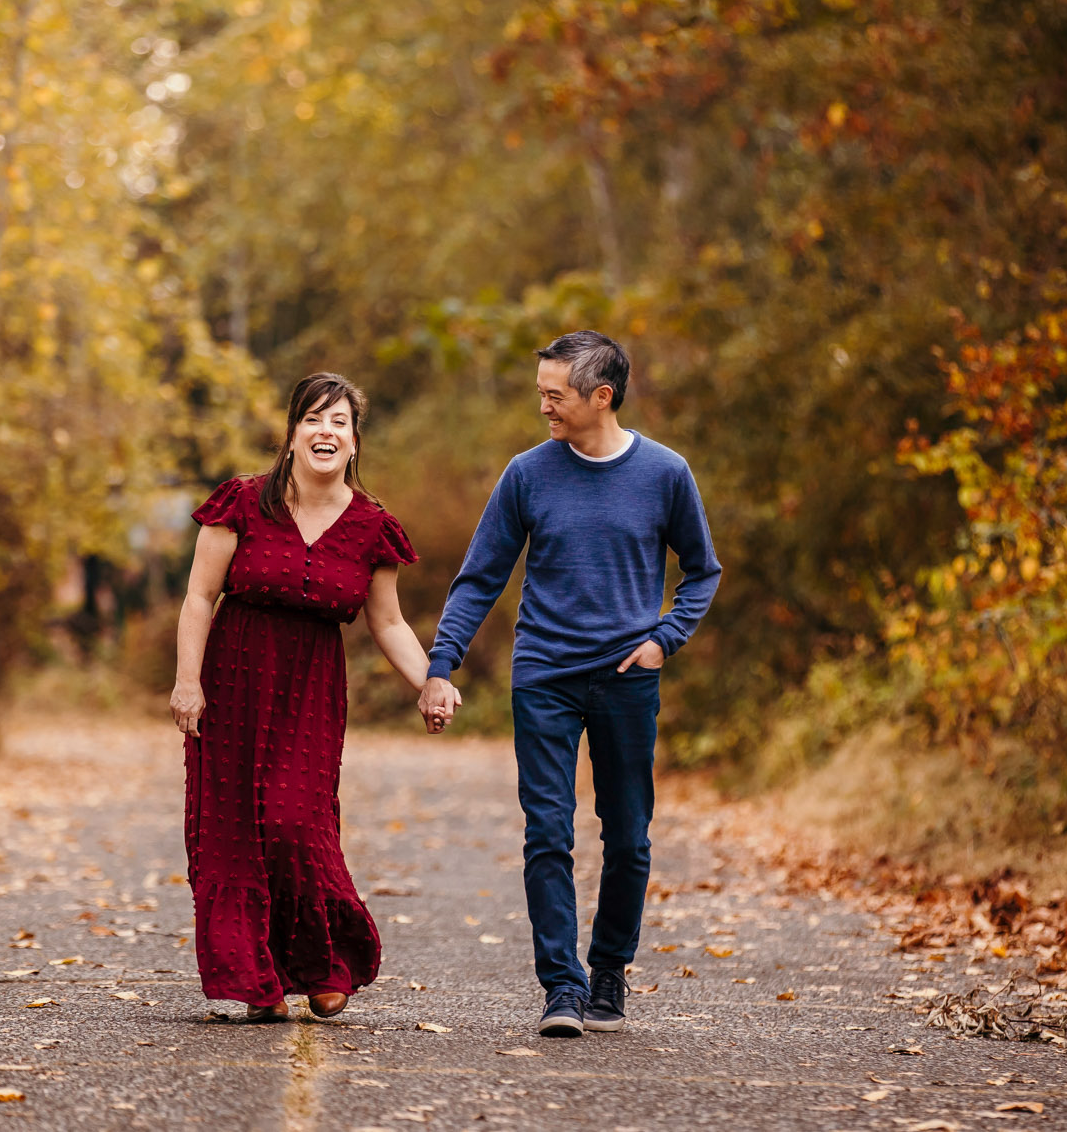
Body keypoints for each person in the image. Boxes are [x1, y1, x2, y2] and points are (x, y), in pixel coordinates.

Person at [419, 330, 720, 1038]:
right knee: (547, 832)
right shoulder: (527, 474)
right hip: (545, 677)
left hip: (625, 678)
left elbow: (702, 569)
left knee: (629, 837)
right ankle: (562, 985)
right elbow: (480, 577)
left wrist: (663, 641)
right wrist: (441, 663)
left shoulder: (665, 473)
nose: (545, 408)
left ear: (601, 396)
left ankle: (608, 968)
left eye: (556, 395)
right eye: (541, 393)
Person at [170, 372, 450, 1022]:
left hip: (310, 693)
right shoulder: (241, 502)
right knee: (234, 833)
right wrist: (188, 680)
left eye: (340, 422)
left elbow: (387, 621)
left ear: (354, 441)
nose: (326, 431)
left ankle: (323, 962)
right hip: (234, 683)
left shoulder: (372, 526)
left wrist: (431, 678)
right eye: (313, 419)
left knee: (297, 825)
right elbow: (198, 597)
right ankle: (254, 979)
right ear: (292, 434)